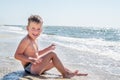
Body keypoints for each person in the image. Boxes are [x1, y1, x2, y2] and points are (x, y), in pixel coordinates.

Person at [14, 15, 88, 78]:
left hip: (35, 67)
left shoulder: (34, 40)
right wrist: (31, 59)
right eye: (33, 28)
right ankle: (65, 74)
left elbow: (36, 53)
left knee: (55, 62)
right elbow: (17, 55)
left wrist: (48, 49)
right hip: (30, 68)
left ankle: (70, 72)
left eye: (38, 29)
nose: (36, 31)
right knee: (52, 54)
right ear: (27, 28)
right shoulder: (26, 40)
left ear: (41, 29)